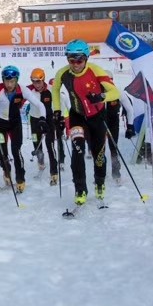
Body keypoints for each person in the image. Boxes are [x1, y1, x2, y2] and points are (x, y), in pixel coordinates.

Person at [52, 40, 119, 205]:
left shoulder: (96, 70)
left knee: (98, 154)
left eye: (79, 60)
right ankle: (80, 189)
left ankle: (100, 182)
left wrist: (102, 97)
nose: (75, 65)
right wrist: (57, 111)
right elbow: (55, 89)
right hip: (77, 117)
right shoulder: (62, 73)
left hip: (97, 117)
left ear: (86, 58)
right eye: (71, 60)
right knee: (78, 152)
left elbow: (115, 92)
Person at [0, 66, 31, 192]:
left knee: (16, 151)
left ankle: (20, 179)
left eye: (12, 81)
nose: (9, 84)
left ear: (16, 80)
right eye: (7, 81)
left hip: (15, 124)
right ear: (3, 80)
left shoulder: (22, 90)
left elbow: (37, 103)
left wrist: (43, 118)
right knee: (2, 152)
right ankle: (6, 171)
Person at [26, 68, 60, 186]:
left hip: (48, 120)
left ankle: (54, 172)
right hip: (34, 120)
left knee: (50, 145)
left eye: (38, 81)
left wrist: (59, 117)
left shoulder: (50, 89)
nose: (36, 84)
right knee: (36, 144)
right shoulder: (28, 89)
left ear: (43, 79)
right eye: (33, 81)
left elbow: (59, 102)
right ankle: (41, 162)